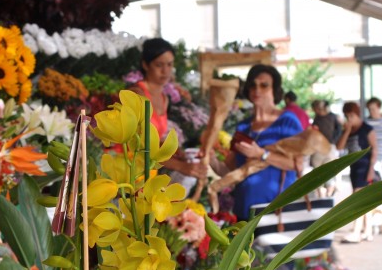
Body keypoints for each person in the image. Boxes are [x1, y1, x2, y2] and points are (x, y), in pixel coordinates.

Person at [217, 64, 303, 221]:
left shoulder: (287, 122)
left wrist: (262, 154)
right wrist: (209, 157)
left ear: (275, 90)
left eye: (264, 85)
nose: (257, 90)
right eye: (253, 85)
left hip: (276, 210)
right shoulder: (243, 127)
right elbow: (230, 169)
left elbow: (297, 164)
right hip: (244, 211)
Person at [128, 37, 206, 180]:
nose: (165, 71)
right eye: (159, 65)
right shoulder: (137, 94)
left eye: (169, 65)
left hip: (149, 171)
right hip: (129, 170)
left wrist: (174, 152)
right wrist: (180, 166)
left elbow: (153, 141)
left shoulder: (165, 98)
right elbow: (138, 146)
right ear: (145, 65)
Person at [336, 101, 377, 243]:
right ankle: (368, 230)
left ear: (357, 114)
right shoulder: (348, 129)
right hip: (354, 167)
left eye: (351, 115)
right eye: (347, 116)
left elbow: (375, 150)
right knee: (364, 199)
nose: (349, 118)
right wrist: (347, 130)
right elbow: (339, 146)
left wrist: (371, 169)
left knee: (358, 199)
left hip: (365, 167)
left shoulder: (367, 129)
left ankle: (356, 231)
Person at [310, 99, 341, 197]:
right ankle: (321, 193)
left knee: (329, 171)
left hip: (329, 147)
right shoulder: (317, 118)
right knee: (318, 171)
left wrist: (333, 140)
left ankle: (328, 192)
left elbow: (339, 130)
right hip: (319, 148)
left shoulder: (332, 117)